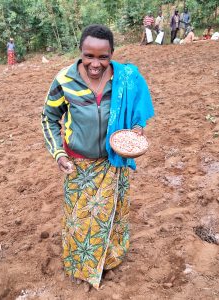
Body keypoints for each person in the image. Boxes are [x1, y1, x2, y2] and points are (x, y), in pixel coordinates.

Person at [41, 24, 154, 291]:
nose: (95, 63)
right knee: (80, 221)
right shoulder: (65, 80)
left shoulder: (124, 78)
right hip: (78, 165)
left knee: (111, 216)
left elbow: (138, 107)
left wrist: (137, 128)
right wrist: (58, 154)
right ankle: (82, 268)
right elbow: (49, 117)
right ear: (80, 52)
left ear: (112, 54)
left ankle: (108, 261)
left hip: (113, 162)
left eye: (103, 57)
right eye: (89, 56)